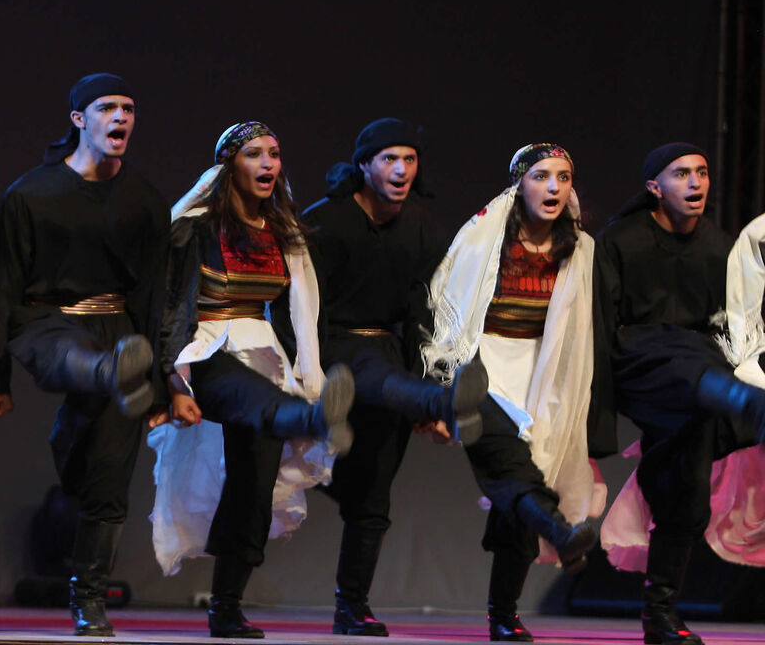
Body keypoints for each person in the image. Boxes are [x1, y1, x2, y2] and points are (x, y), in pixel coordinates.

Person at [0, 73, 169, 636]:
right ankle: (110, 371)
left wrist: (159, 379)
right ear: (79, 119)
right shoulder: (32, 194)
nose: (122, 117)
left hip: (120, 327)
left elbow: (157, 297)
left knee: (103, 478)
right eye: (108, 107)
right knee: (75, 359)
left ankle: (89, 600)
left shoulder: (145, 201)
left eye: (129, 108)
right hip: (46, 320)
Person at [148, 121, 354, 639]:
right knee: (254, 398)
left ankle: (226, 604)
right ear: (228, 166)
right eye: (254, 154)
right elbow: (171, 304)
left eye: (275, 154)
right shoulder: (195, 228)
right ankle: (309, 417)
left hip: (264, 351)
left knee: (255, 487)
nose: (268, 164)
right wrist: (173, 379)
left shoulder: (284, 233)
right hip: (206, 350)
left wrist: (306, 369)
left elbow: (302, 314)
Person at [300, 117, 485, 636]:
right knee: (369, 378)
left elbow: (424, 312)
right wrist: (303, 369)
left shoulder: (421, 227)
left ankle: (352, 607)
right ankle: (441, 402)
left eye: (409, 159)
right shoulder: (326, 222)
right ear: (364, 165)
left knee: (373, 496)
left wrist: (424, 371)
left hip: (389, 353)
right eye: (388, 159)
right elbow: (298, 306)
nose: (401, 169)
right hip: (332, 351)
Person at [422, 144, 602, 641]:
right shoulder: (484, 237)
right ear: (519, 183)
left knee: (519, 485)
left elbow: (584, 330)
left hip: (542, 376)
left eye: (563, 177)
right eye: (542, 176)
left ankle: (504, 612)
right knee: (513, 469)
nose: (553, 187)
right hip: (481, 371)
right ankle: (560, 537)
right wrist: (439, 395)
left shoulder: (580, 247)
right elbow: (447, 314)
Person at [595, 143, 765, 645]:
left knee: (684, 493)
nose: (695, 183)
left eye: (702, 172)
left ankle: (660, 616)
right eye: (681, 174)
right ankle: (748, 406)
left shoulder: (720, 247)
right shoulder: (622, 240)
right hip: (639, 365)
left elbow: (737, 321)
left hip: (694, 388)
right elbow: (599, 324)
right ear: (654, 187)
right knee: (684, 356)